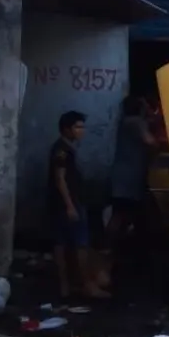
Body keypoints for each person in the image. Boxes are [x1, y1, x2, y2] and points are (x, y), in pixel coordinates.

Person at [47, 111, 110, 299]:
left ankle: (66, 287)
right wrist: (70, 206)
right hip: (69, 203)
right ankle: (87, 286)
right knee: (80, 244)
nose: (82, 131)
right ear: (67, 129)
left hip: (62, 203)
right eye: (78, 127)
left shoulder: (64, 149)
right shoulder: (62, 151)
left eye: (82, 127)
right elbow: (60, 179)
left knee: (61, 243)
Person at [106, 96, 158, 247]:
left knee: (122, 213)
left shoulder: (127, 122)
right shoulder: (136, 122)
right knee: (120, 213)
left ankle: (114, 247)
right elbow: (150, 141)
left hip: (123, 177)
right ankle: (109, 247)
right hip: (128, 179)